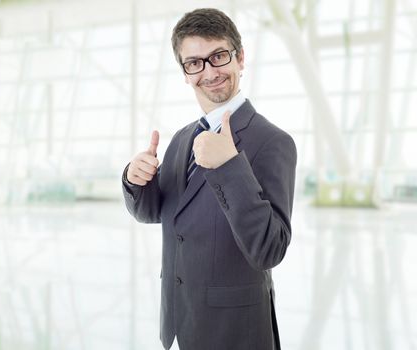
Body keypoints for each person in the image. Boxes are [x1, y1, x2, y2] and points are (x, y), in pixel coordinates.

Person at [122, 8, 297, 350]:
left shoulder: (273, 142)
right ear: (185, 73)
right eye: (195, 63)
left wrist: (229, 166)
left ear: (240, 58)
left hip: (235, 331)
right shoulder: (182, 138)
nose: (209, 72)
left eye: (218, 56)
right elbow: (155, 213)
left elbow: (270, 248)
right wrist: (135, 179)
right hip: (179, 322)